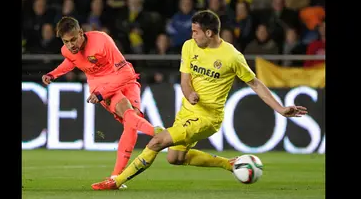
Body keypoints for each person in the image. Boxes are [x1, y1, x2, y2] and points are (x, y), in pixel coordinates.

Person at [91, 10, 308, 190]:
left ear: (210, 32)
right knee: (174, 158)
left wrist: (280, 109)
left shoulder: (232, 57)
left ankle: (116, 181)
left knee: (157, 142)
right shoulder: (189, 46)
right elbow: (185, 80)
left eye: (196, 32)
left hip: (208, 118)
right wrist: (189, 93)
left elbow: (255, 84)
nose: (192, 35)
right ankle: (230, 164)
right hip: (187, 111)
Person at [41, 16, 164, 189]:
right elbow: (71, 60)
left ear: (81, 33)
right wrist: (54, 74)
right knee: (128, 114)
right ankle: (157, 132)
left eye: (74, 39)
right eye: (66, 41)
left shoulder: (102, 40)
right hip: (100, 85)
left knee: (132, 122)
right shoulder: (67, 50)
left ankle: (115, 178)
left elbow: (127, 73)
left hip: (124, 80)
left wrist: (103, 92)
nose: (71, 45)